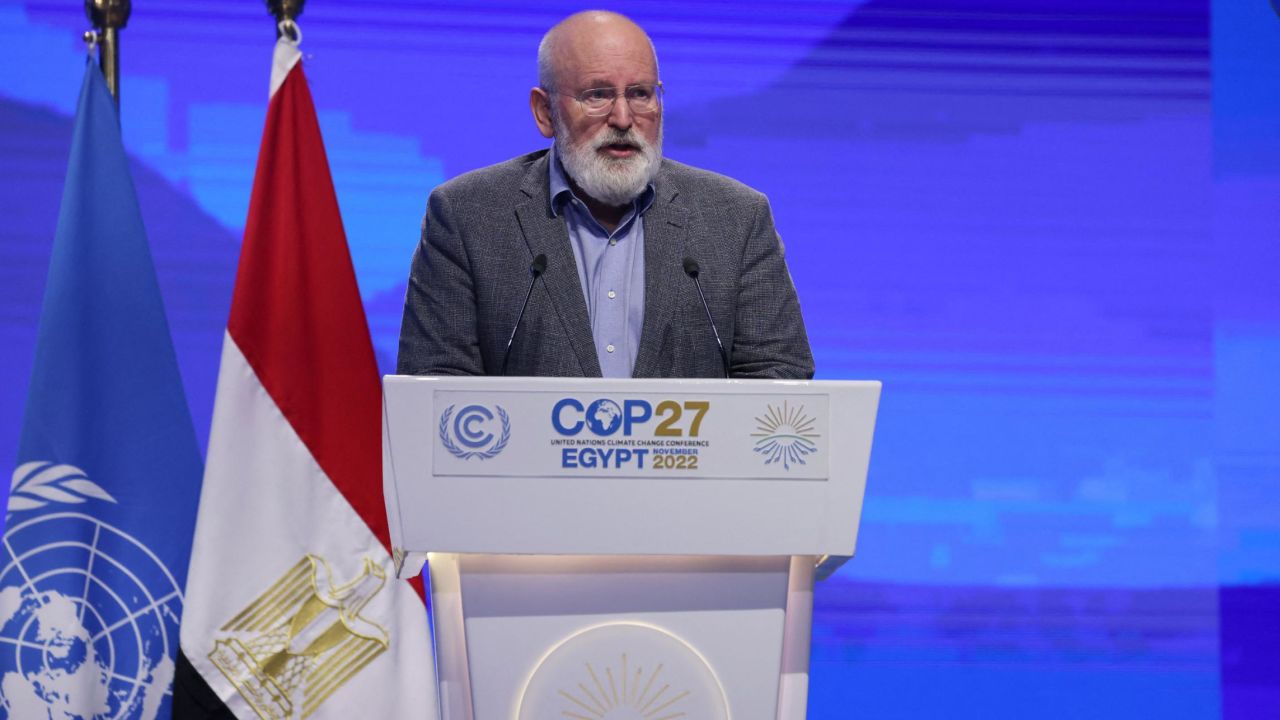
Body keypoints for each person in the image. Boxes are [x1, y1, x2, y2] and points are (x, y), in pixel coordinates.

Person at [397, 10, 813, 379]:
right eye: (597, 95)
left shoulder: (735, 219)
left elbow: (779, 380)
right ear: (545, 112)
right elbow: (434, 387)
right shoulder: (468, 215)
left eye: (640, 94)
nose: (623, 118)